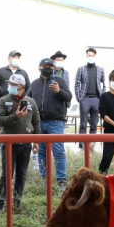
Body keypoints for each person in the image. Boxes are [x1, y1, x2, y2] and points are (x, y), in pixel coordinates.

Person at [0, 74, 40, 212]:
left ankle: (17, 201)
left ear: (22, 87)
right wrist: (16, 116)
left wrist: (36, 140)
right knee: (7, 174)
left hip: (25, 145)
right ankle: (1, 203)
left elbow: (36, 122)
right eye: (10, 84)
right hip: (9, 144)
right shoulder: (3, 100)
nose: (11, 87)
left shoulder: (31, 102)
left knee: (22, 174)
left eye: (14, 85)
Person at [27, 57, 73, 189]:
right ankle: (45, 179)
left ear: (53, 68)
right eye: (45, 67)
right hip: (39, 122)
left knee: (58, 151)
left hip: (56, 122)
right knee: (41, 151)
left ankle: (61, 181)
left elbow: (69, 97)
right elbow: (28, 100)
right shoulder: (34, 84)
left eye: (50, 67)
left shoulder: (61, 81)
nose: (47, 69)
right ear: (39, 69)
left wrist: (59, 91)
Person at [74, 47, 105, 151]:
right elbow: (77, 84)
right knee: (83, 123)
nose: (90, 57)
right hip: (85, 98)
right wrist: (79, 98)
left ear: (95, 56)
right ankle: (82, 145)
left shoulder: (100, 69)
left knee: (94, 124)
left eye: (92, 55)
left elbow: (104, 84)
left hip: (96, 99)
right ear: (86, 56)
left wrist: (102, 97)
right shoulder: (81, 69)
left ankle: (92, 146)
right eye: (89, 55)